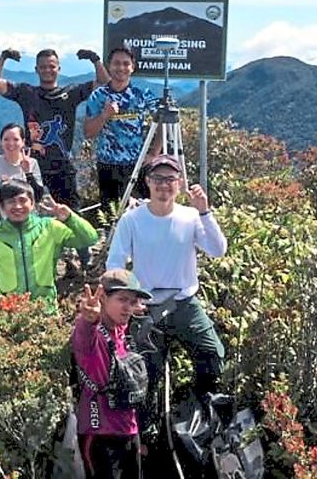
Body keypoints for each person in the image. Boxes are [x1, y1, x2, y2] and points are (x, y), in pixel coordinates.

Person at [105, 154, 228, 434]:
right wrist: (129, 300)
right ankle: (146, 434)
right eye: (158, 179)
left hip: (185, 304)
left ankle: (196, 410)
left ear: (179, 183)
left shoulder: (190, 216)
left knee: (212, 355)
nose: (164, 185)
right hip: (145, 308)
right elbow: (115, 264)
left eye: (170, 179)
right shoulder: (132, 220)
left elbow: (218, 250)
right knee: (143, 376)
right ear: (147, 181)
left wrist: (205, 211)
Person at [0, 47, 109, 208]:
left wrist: (95, 59)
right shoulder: (27, 93)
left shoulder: (70, 93)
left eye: (51, 66)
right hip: (33, 169)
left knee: (70, 216)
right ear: (36, 69)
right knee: (32, 215)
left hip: (63, 168)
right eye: (43, 67)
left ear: (59, 68)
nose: (47, 70)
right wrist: (3, 57)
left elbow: (105, 83)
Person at [71, 269, 152, 479]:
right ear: (103, 298)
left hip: (129, 432)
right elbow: (84, 333)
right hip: (100, 435)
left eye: (132, 301)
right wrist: (87, 318)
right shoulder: (92, 334)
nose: (128, 307)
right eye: (122, 300)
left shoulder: (121, 332)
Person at [0, 179, 97, 309]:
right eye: (11, 202)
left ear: (32, 203)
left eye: (22, 200)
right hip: (9, 314)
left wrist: (70, 218)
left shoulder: (49, 227)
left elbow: (89, 238)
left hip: (46, 311)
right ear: (2, 206)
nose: (17, 206)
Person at [83, 47, 159, 211]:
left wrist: (154, 152)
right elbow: (88, 132)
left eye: (126, 64)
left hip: (137, 165)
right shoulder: (98, 96)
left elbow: (162, 120)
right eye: (117, 63)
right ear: (109, 66)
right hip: (108, 166)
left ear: (133, 67)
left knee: (140, 213)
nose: (121, 68)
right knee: (111, 216)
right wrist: (105, 115)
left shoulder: (142, 95)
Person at [0, 123, 46, 230]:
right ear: (1, 142)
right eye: (6, 139)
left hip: (27, 224)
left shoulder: (32, 163)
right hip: (1, 226)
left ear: (23, 142)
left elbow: (38, 196)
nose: (11, 143)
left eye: (16, 139)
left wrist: (28, 173)